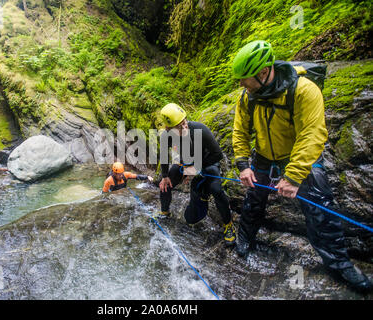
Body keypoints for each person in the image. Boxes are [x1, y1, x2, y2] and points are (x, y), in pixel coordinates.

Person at [231, 40, 372, 293]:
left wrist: (294, 176)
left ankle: (339, 264)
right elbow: (240, 132)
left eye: (244, 79)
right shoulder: (247, 97)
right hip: (264, 155)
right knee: (254, 198)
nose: (241, 84)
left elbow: (313, 134)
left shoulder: (304, 90)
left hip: (299, 155)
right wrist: (243, 165)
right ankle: (245, 239)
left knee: (320, 208)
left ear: (263, 73)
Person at [158, 103, 236, 245]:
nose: (185, 126)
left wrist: (195, 169)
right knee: (164, 184)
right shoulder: (166, 137)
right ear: (169, 128)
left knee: (217, 190)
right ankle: (164, 212)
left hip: (208, 162)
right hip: (186, 163)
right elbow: (163, 156)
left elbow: (217, 154)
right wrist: (165, 176)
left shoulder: (200, 129)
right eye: (180, 126)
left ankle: (228, 224)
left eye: (185, 122)